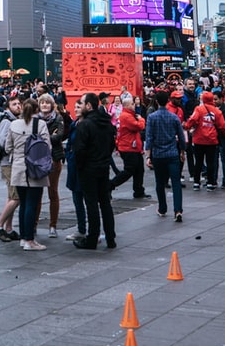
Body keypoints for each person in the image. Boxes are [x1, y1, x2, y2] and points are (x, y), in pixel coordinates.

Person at [70, 93, 117, 250]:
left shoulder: (85, 124)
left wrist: (81, 165)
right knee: (105, 203)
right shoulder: (106, 122)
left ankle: (92, 238)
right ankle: (111, 238)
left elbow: (79, 150)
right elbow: (111, 144)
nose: (80, 106)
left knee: (91, 203)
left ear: (88, 106)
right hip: (103, 166)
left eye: (82, 103)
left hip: (89, 168)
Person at [1, 99, 49, 250]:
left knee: (23, 203)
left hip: (18, 167)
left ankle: (23, 237)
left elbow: (8, 147)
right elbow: (47, 146)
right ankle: (29, 240)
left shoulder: (14, 124)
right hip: (35, 168)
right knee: (31, 204)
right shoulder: (40, 125)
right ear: (36, 109)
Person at [145, 94, 187, 222]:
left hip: (158, 154)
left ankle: (162, 208)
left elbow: (149, 137)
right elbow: (181, 136)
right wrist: (182, 151)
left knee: (160, 182)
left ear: (157, 102)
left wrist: (148, 156)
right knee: (176, 183)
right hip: (172, 153)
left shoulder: (152, 117)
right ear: (167, 101)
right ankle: (178, 210)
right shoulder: (174, 117)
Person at [0, 95, 23, 242]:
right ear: (8, 106)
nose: (18, 106)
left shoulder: (15, 120)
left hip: (12, 162)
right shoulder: (6, 121)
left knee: (11, 196)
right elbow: (4, 143)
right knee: (16, 197)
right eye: (14, 104)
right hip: (7, 162)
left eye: (19, 104)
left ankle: (9, 228)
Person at [35, 94, 68, 238]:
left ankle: (53, 225)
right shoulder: (35, 119)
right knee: (37, 193)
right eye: (42, 103)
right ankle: (34, 223)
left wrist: (43, 137)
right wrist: (49, 135)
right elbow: (33, 136)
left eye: (47, 103)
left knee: (52, 192)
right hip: (37, 158)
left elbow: (59, 136)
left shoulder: (58, 118)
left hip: (54, 157)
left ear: (52, 104)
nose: (44, 105)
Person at [184, 91, 225, 190]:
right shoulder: (217, 111)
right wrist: (224, 134)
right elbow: (222, 125)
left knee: (198, 162)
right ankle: (210, 183)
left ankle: (196, 183)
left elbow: (192, 120)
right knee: (210, 162)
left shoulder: (198, 109)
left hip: (199, 139)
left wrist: (186, 126)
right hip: (212, 140)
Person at [110, 93, 147, 198]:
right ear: (126, 106)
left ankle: (139, 190)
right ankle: (110, 185)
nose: (134, 105)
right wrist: (141, 119)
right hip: (128, 147)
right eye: (132, 104)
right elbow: (139, 126)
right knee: (129, 170)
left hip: (132, 147)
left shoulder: (128, 115)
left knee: (139, 170)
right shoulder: (127, 116)